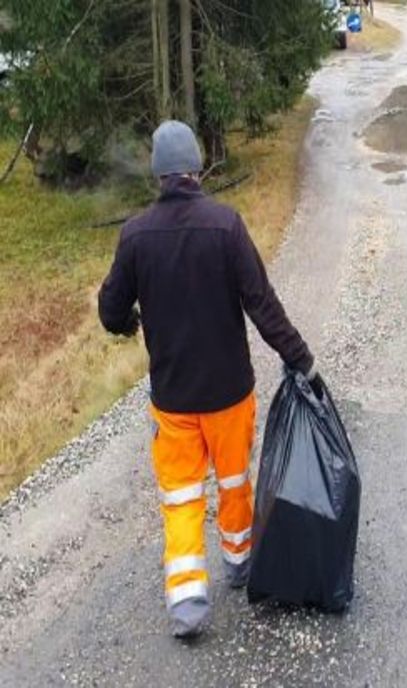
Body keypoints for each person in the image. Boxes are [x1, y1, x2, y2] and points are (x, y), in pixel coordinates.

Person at [98, 121, 319, 638]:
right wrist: (301, 359)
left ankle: (187, 601)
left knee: (180, 495)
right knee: (234, 479)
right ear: (197, 168)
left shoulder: (135, 236)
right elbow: (263, 307)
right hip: (229, 394)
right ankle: (239, 564)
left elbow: (110, 310)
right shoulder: (226, 226)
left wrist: (130, 322)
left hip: (173, 400)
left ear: (158, 175)